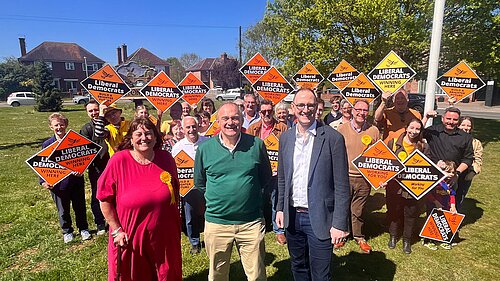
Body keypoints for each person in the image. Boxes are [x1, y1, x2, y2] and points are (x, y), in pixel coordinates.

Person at [276, 88, 350, 280]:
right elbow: (283, 178)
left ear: (317, 107)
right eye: (301, 105)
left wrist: (340, 223)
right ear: (293, 108)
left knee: (320, 274)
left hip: (320, 217)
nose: (305, 109)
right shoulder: (285, 138)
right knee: (298, 267)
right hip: (292, 215)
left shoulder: (333, 139)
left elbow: (342, 185)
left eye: (310, 105)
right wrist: (280, 209)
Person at [194, 102, 272, 281]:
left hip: (250, 222)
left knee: (257, 275)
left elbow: (265, 178)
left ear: (242, 120)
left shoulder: (257, 145)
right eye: (226, 118)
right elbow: (200, 182)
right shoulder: (205, 149)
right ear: (218, 122)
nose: (231, 122)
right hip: (217, 223)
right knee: (218, 274)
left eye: (235, 118)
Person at [97, 118, 182, 281]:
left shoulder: (166, 159)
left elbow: (175, 194)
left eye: (149, 134)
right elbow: (104, 198)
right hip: (131, 235)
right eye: (139, 134)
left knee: (167, 274)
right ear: (131, 138)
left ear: (156, 138)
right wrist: (116, 230)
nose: (144, 138)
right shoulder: (119, 160)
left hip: (164, 236)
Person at [337, 99, 380, 253]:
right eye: (359, 109)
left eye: (365, 110)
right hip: (344, 176)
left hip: (364, 178)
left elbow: (379, 156)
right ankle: (342, 234)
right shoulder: (341, 129)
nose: (361, 113)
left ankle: (359, 236)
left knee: (358, 209)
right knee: (342, 207)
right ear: (352, 110)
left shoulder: (374, 131)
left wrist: (379, 177)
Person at [41, 113, 91, 243]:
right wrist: (44, 181)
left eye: (61, 124)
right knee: (63, 210)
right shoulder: (47, 144)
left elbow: (83, 159)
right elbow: (42, 164)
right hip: (57, 184)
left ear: (66, 125)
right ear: (51, 127)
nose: (59, 127)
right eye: (56, 125)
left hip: (75, 181)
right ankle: (67, 231)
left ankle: (83, 228)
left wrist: (81, 170)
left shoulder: (75, 140)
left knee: (79, 206)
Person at [384, 119, 428, 254]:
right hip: (394, 187)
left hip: (413, 188)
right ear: (406, 127)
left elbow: (427, 167)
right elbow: (385, 163)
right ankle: (393, 236)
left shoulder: (424, 146)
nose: (414, 132)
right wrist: (383, 179)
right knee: (394, 212)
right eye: (411, 128)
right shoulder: (393, 143)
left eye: (417, 129)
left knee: (411, 214)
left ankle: (407, 240)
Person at [247, 99, 288, 245]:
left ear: (273, 112)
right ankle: (258, 226)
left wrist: (281, 167)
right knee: (258, 199)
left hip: (277, 171)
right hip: (259, 170)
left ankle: (279, 230)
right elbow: (248, 151)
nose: (266, 114)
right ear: (259, 112)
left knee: (277, 200)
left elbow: (287, 150)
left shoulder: (282, 128)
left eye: (269, 111)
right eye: (263, 111)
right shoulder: (253, 128)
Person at [422, 107, 473, 212]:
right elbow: (416, 132)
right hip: (434, 176)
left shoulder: (465, 137)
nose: (451, 122)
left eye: (455, 120)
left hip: (452, 178)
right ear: (442, 118)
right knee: (432, 204)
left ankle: (449, 226)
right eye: (448, 118)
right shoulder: (433, 131)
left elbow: (468, 159)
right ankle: (430, 226)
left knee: (452, 204)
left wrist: (456, 174)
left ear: (458, 121)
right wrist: (426, 117)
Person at [171, 116, 208, 255]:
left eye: (194, 126)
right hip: (188, 190)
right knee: (190, 216)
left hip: (206, 187)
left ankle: (210, 239)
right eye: (188, 127)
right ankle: (194, 242)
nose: (191, 130)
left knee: (208, 214)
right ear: (183, 129)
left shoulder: (208, 142)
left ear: (198, 127)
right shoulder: (177, 147)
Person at [80, 100, 108, 235]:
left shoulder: (109, 124)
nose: (94, 113)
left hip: (111, 164)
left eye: (96, 110)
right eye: (90, 111)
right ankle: (100, 222)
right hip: (96, 167)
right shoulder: (86, 129)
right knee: (97, 194)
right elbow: (83, 151)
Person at [422, 160, 457, 250]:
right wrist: (436, 203)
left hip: (446, 206)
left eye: (453, 172)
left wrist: (453, 206)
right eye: (448, 172)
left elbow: (452, 194)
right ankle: (428, 240)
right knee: (431, 223)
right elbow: (428, 193)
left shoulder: (450, 183)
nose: (451, 174)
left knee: (444, 223)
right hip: (433, 206)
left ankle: (443, 240)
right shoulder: (436, 182)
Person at [457, 116, 483, 209]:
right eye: (463, 125)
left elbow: (478, 159)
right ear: (458, 125)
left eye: (468, 125)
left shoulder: (476, 143)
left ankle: (454, 217)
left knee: (460, 195)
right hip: (452, 171)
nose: (466, 127)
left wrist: (473, 171)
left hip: (467, 173)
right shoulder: (452, 139)